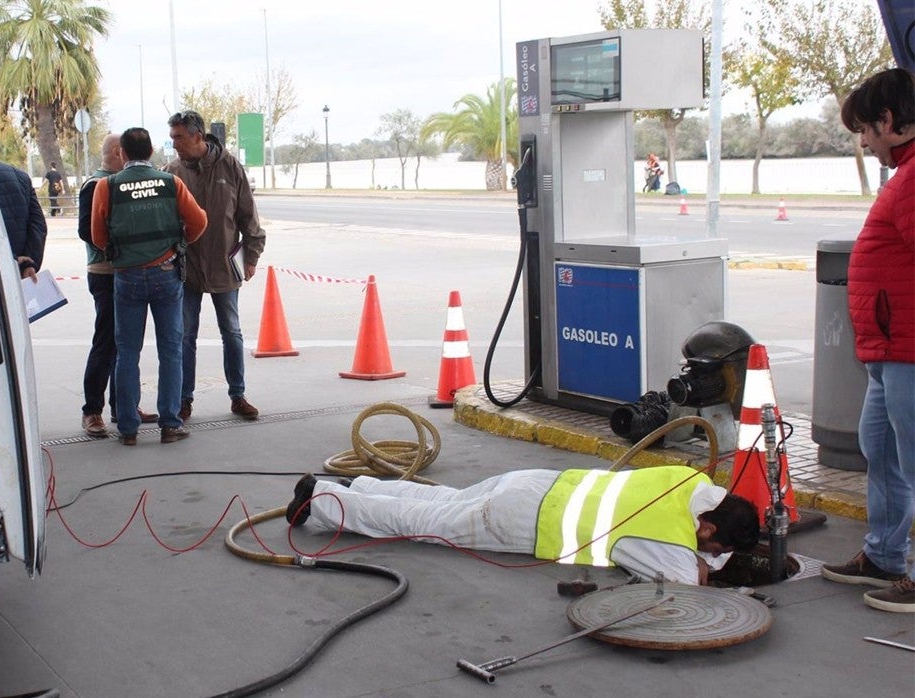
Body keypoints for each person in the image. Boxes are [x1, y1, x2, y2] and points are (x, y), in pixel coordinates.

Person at [286, 465, 760, 586]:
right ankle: (324, 503)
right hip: (524, 522)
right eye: (717, 549)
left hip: (536, 484)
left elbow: (700, 546)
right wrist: (704, 571)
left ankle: (356, 485)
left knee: (442, 499)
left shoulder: (694, 482)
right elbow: (685, 580)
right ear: (706, 531)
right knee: (427, 522)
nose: (715, 558)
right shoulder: (670, 545)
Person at [821, 67, 915, 614]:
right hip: (887, 351)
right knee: (879, 448)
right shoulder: (903, 175)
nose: (863, 142)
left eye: (865, 129)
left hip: (907, 349)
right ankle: (883, 554)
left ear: (889, 121)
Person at [91, 127, 208, 445]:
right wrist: (177, 246)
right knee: (171, 350)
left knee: (127, 352)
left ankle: (128, 429)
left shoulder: (108, 185)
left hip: (126, 276)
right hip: (166, 273)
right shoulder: (171, 183)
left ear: (123, 154)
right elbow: (199, 222)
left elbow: (98, 235)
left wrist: (121, 252)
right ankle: (170, 424)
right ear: (152, 151)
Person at [165, 110, 266, 422]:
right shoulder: (172, 171)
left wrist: (251, 256)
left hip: (224, 266)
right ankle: (184, 400)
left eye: (179, 138)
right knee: (185, 336)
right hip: (187, 269)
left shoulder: (229, 165)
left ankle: (238, 395)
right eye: (172, 138)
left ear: (197, 136)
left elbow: (248, 213)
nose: (174, 145)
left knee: (232, 332)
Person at [77, 134, 158, 437]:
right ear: (117, 152)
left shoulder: (122, 182)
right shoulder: (96, 185)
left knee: (128, 343)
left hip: (128, 270)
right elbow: (87, 230)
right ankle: (92, 410)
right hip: (105, 271)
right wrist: (123, 241)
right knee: (107, 342)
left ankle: (123, 405)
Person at [0, 121, 46, 280]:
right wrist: (28, 263)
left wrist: (9, 260)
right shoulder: (19, 176)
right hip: (18, 276)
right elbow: (38, 225)